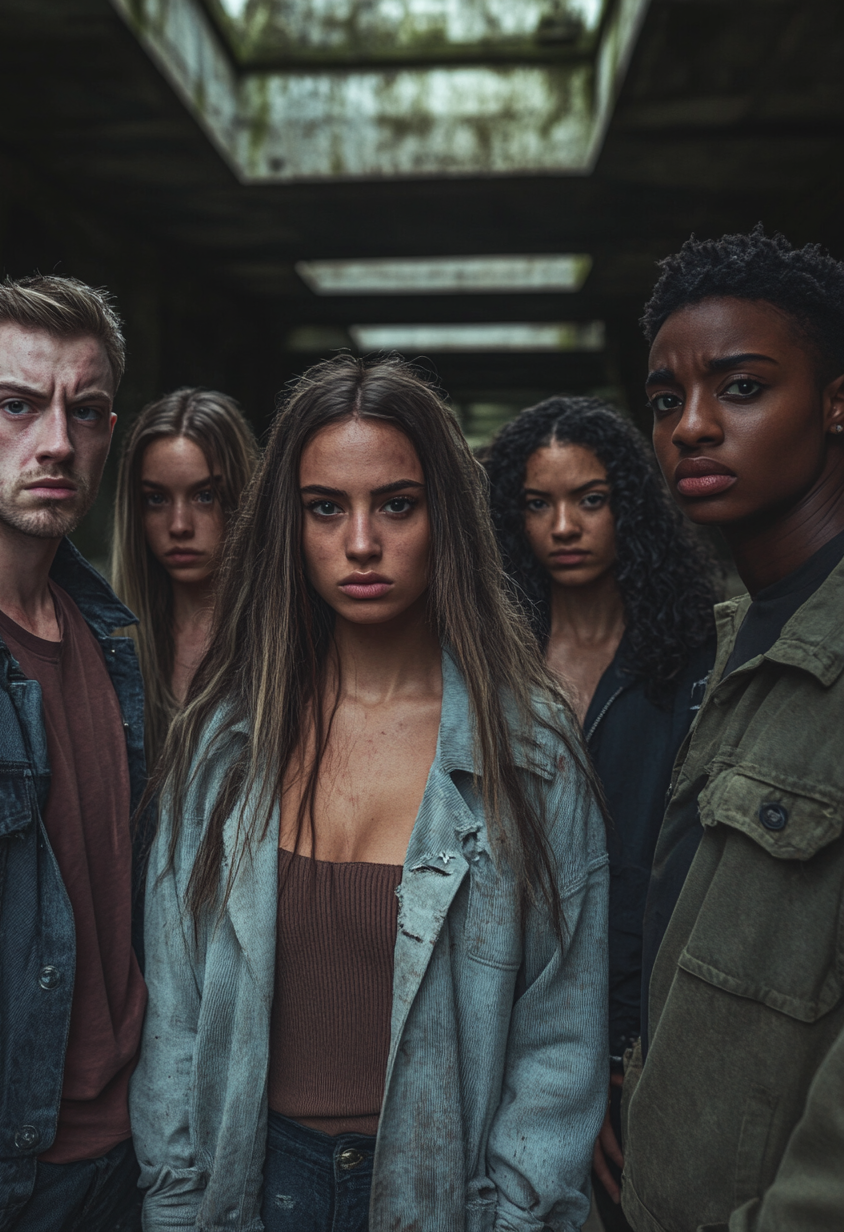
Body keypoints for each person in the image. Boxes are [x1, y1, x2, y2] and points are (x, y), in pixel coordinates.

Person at [130, 355, 610, 1232]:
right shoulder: (224, 744)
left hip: (441, 1196)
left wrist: (515, 1218)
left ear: (445, 519)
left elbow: (560, 1040)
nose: (360, 542)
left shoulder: (529, 753)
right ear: (289, 524)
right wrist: (174, 1203)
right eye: (325, 508)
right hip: (255, 1189)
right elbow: (175, 1016)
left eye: (396, 504)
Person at [621, 226, 844, 1231]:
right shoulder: (735, 639)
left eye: (741, 388)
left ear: (835, 400)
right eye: (666, 399)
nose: (690, 427)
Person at [0, 276, 147, 1232]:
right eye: (17, 405)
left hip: (129, 1158)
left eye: (85, 412)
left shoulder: (113, 640)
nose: (57, 443)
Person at [485, 397, 719, 1230]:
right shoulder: (484, 660)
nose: (565, 526)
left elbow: (683, 879)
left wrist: (634, 1060)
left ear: (629, 504)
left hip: (641, 1032)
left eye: (590, 498)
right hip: (503, 1019)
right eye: (538, 503)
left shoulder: (693, 662)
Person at [110, 387, 257, 766]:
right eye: (156, 499)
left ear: (241, 497)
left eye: (204, 496)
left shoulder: (285, 641)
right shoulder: (109, 649)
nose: (179, 526)